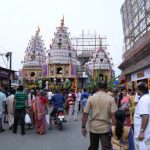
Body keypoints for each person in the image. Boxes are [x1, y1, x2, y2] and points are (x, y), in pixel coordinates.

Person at [82, 80, 117, 150]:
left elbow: (85, 113)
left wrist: (83, 127)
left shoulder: (91, 98)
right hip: (105, 128)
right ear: (106, 88)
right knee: (106, 147)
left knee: (93, 147)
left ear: (97, 87)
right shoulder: (110, 99)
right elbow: (113, 115)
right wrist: (114, 128)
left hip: (93, 127)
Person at [134, 82, 150, 149]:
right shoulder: (146, 98)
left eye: (136, 89)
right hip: (144, 133)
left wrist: (142, 132)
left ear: (140, 90)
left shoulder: (144, 100)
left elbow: (145, 117)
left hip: (143, 135)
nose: (135, 91)